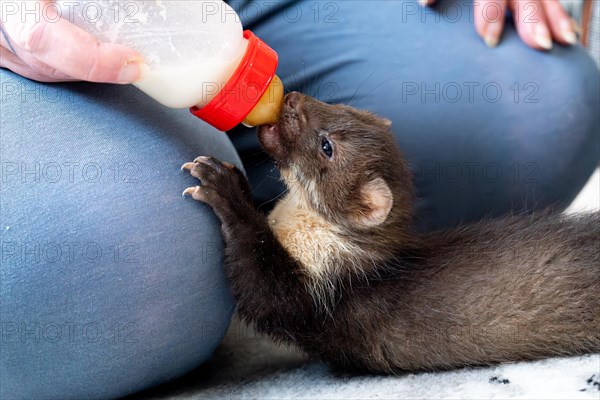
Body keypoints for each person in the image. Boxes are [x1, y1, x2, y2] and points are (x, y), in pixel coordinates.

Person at [1, 0, 598, 399]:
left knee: (538, 110)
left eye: (328, 145)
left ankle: (230, 175)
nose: (302, 104)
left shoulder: (335, 275)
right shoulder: (347, 248)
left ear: (366, 207)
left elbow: (274, 306)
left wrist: (239, 217)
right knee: (118, 251)